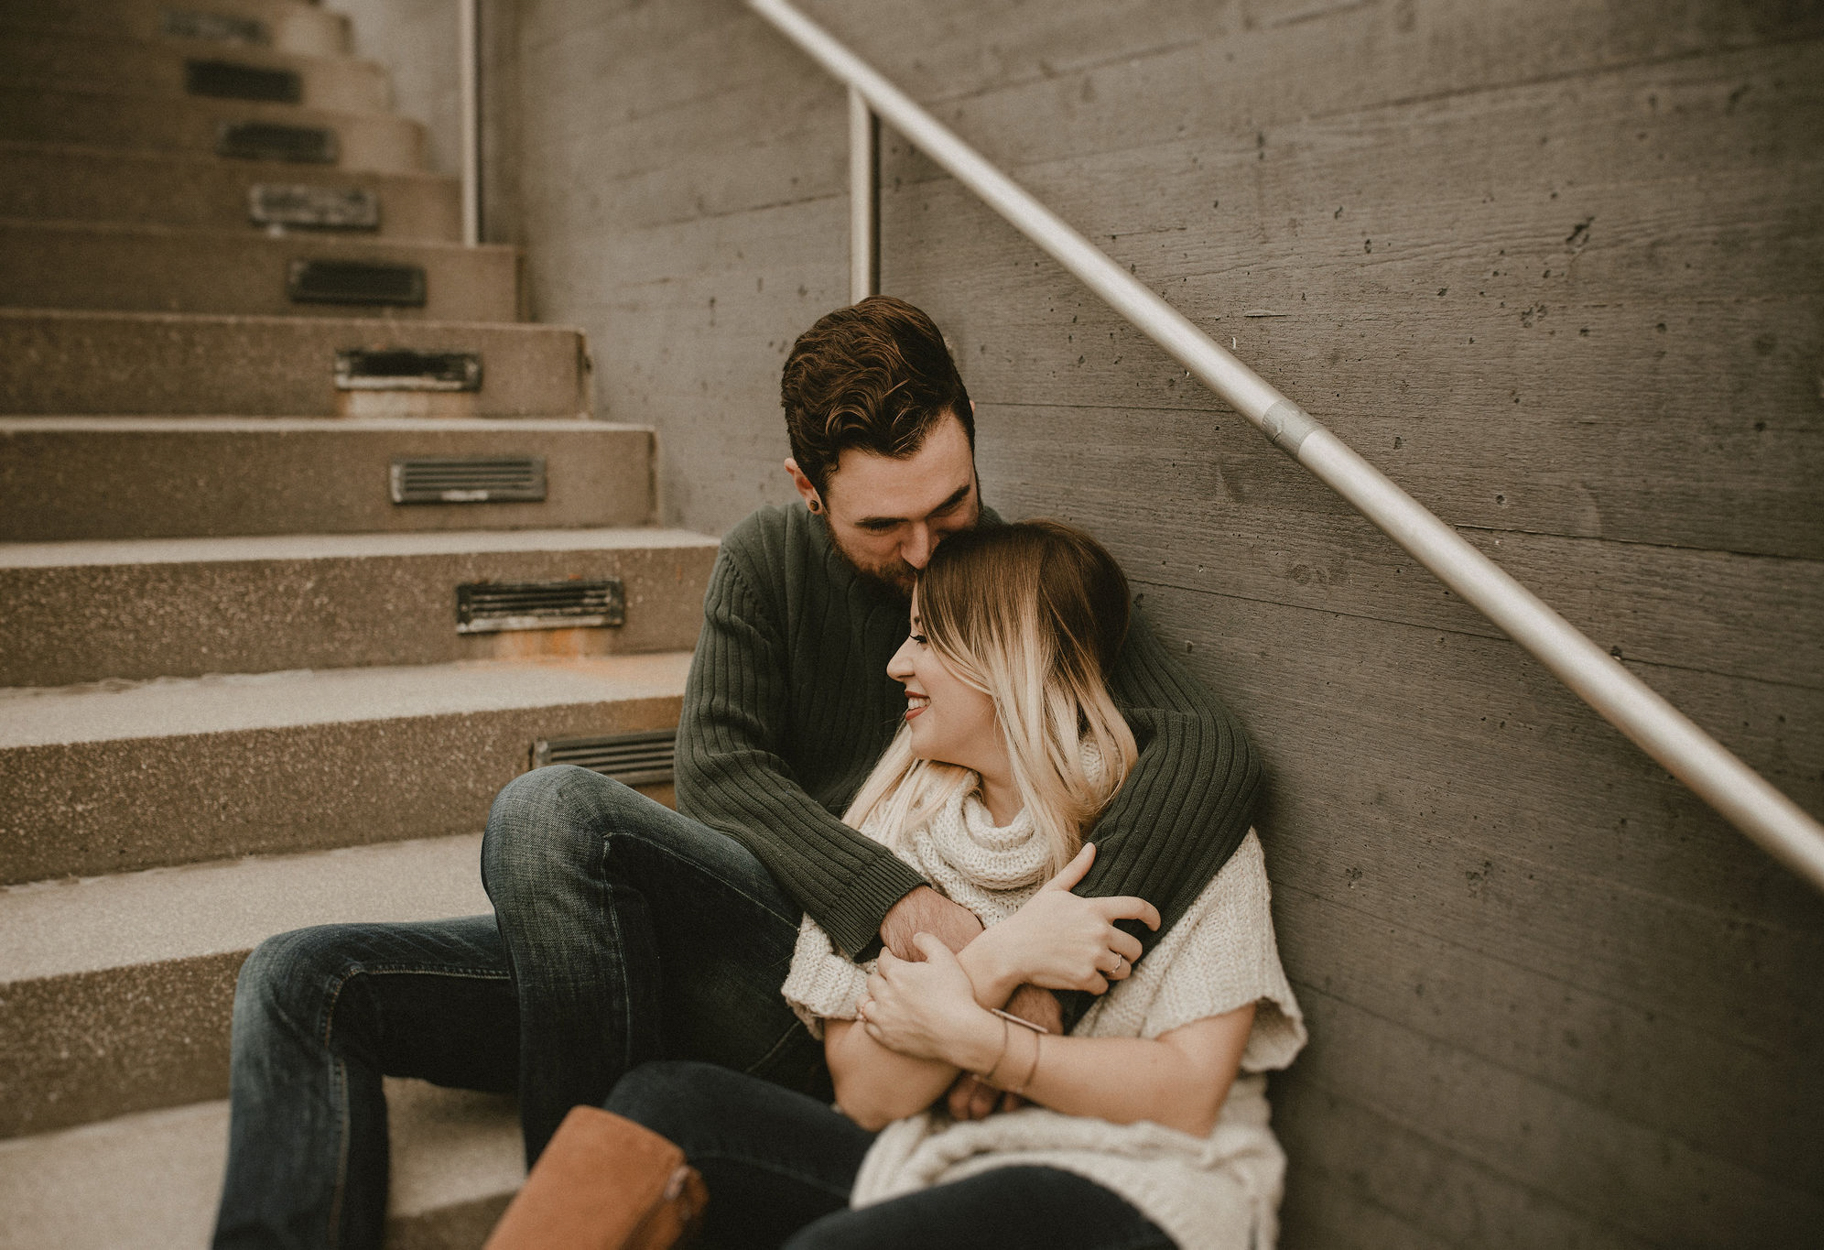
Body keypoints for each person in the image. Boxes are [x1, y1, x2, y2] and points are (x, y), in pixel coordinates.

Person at [211, 297, 1262, 1249]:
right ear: (809, 490)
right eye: (883, 527)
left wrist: (1034, 969)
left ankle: (595, 1210)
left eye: (949, 504)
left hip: (836, 1010)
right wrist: (901, 901)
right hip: (766, 943)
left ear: (972, 432)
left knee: (550, 810)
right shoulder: (768, 559)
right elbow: (716, 771)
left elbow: (1210, 746)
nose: (928, 552)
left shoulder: (1014, 587)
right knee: (306, 975)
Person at [575, 521, 1305, 1250]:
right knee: (661, 1103)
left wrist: (979, 1040)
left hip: (1133, 1174)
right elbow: (864, 1094)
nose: (897, 663)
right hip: (935, 1152)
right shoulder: (896, 824)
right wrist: (1003, 958)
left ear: (1005, 656)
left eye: (924, 638)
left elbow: (1185, 1095)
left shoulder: (1176, 825)